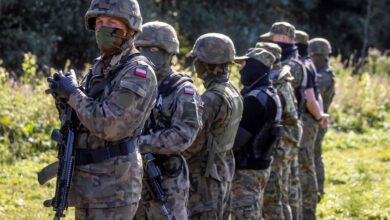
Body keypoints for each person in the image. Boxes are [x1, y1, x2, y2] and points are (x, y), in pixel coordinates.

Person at [45, 0, 158, 219]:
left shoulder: (137, 73)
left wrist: (74, 94)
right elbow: (82, 120)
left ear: (129, 28)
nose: (103, 27)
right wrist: (63, 99)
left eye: (111, 21)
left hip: (113, 189)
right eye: (99, 22)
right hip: (88, 183)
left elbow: (110, 126)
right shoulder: (100, 67)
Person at [133, 21, 203, 219]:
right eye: (140, 48)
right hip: (133, 176)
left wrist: (140, 143)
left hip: (166, 180)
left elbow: (183, 137)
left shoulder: (182, 90)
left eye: (153, 49)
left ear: (169, 52)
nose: (146, 54)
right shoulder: (134, 84)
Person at [183, 33, 243, 219]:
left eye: (198, 60)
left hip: (205, 179)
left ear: (209, 63)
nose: (196, 64)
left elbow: (192, 142)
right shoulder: (232, 91)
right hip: (223, 170)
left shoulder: (210, 99)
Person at [261, 21, 306, 220]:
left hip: (285, 134)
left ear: (285, 38)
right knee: (286, 186)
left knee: (280, 190)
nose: (271, 39)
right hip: (288, 131)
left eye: (275, 37)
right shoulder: (293, 63)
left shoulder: (290, 67)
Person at [230, 47, 281, 219]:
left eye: (244, 64)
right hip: (259, 166)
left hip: (247, 170)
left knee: (245, 214)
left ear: (255, 67)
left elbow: (236, 141)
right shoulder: (269, 93)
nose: (240, 69)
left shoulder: (255, 100)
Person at [296, 30, 330, 219]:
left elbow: (312, 96)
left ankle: (312, 200)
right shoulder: (315, 70)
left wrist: (318, 116)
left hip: (313, 122)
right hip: (316, 119)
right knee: (313, 158)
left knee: (310, 160)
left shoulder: (319, 73)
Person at [308, 38, 335, 199]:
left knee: (314, 155)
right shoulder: (325, 73)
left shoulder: (322, 76)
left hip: (318, 120)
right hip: (318, 119)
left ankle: (317, 190)